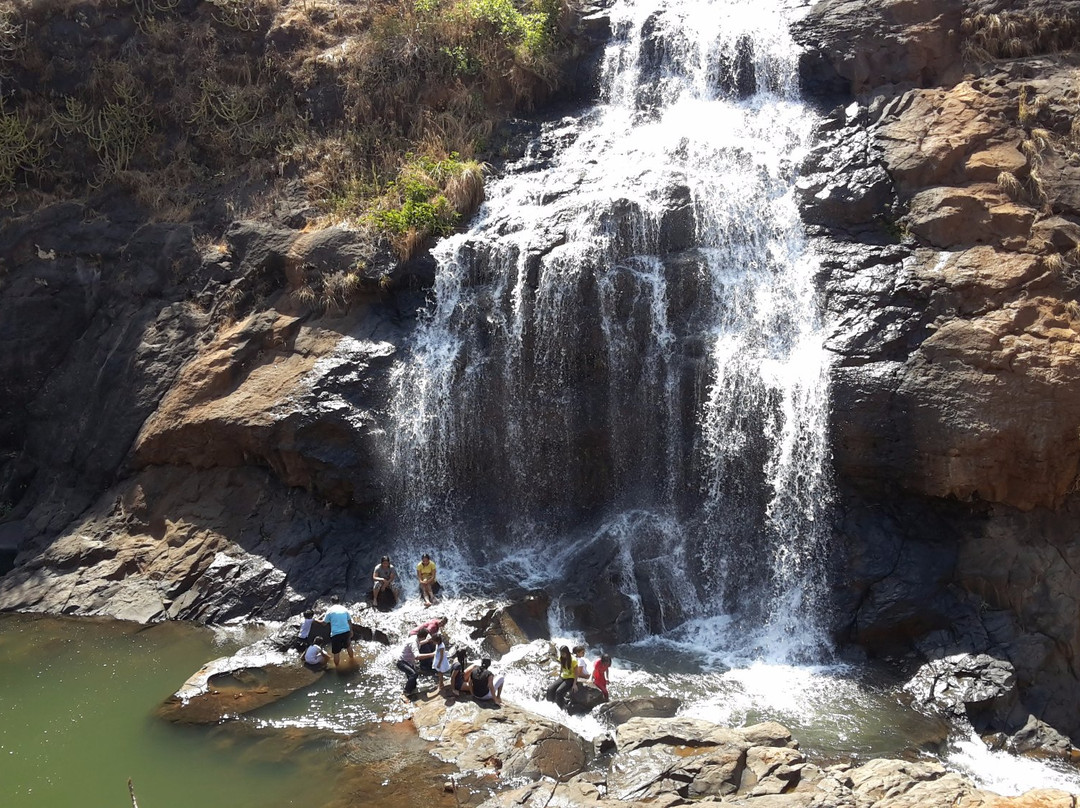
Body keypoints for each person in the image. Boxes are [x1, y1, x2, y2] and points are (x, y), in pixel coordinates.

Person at [397, 627, 437, 698]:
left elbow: (420, 643)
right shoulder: (413, 642)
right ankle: (405, 693)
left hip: (409, 662)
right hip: (402, 662)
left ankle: (411, 694)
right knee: (414, 674)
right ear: (423, 636)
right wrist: (432, 654)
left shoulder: (415, 637)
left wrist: (427, 641)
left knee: (413, 684)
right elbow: (417, 656)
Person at [321, 595, 355, 667]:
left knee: (336, 653)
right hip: (346, 631)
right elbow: (349, 621)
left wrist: (316, 620)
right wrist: (351, 631)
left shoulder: (330, 610)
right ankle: (352, 660)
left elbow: (324, 623)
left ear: (331, 602)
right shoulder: (344, 609)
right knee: (349, 646)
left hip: (336, 634)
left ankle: (337, 668)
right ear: (339, 601)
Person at [545, 645, 577, 710]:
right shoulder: (561, 658)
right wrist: (559, 677)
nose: (562, 655)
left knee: (559, 692)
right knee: (550, 689)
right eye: (561, 653)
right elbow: (562, 667)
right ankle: (549, 705)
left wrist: (574, 684)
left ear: (567, 653)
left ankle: (561, 709)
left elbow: (576, 672)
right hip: (563, 677)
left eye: (563, 653)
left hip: (570, 678)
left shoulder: (573, 660)